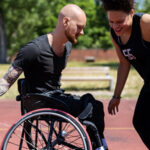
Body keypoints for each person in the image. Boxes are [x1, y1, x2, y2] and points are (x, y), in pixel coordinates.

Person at [0, 4, 108, 150]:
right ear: (66, 22)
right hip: (41, 101)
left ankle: (99, 145)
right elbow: (6, 81)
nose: (82, 32)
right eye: (79, 27)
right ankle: (99, 147)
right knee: (92, 106)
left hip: (56, 98)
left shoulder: (67, 47)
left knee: (94, 105)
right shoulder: (33, 49)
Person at [100, 0, 150, 149]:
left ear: (132, 14)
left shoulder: (144, 23)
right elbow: (124, 63)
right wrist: (116, 96)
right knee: (140, 121)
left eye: (120, 21)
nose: (115, 26)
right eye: (111, 21)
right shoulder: (115, 34)